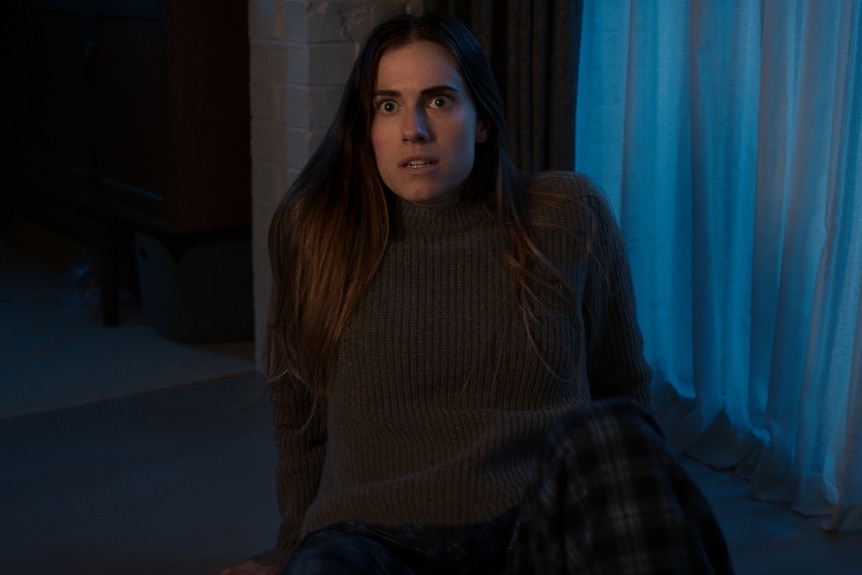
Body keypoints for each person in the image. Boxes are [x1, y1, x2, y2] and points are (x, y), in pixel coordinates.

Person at [219, 12, 733, 575]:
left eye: (439, 101)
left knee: (615, 431)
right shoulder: (316, 234)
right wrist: (290, 552)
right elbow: (299, 421)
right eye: (387, 106)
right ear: (366, 129)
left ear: (482, 120)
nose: (413, 128)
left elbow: (623, 386)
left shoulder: (566, 216)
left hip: (535, 525)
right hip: (375, 536)